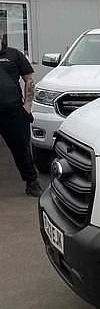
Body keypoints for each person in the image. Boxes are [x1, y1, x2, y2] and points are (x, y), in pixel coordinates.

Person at [0, 27, 43, 196]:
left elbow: (29, 79)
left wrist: (28, 105)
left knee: (22, 150)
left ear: (2, 33)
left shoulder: (14, 54)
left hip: (13, 113)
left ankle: (32, 182)